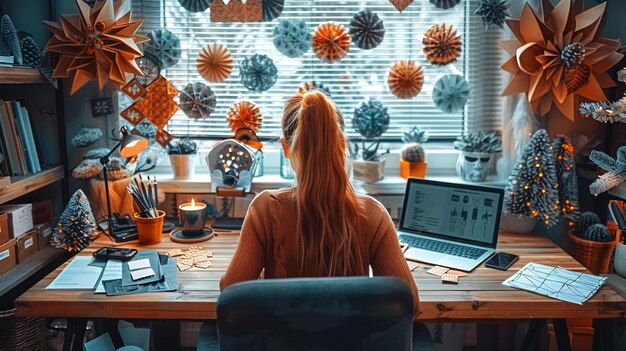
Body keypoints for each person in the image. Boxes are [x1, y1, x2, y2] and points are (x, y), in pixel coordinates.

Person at [220, 90, 420, 316]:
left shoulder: (265, 208)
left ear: (286, 148)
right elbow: (410, 304)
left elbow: (230, 294)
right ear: (342, 145)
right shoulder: (373, 214)